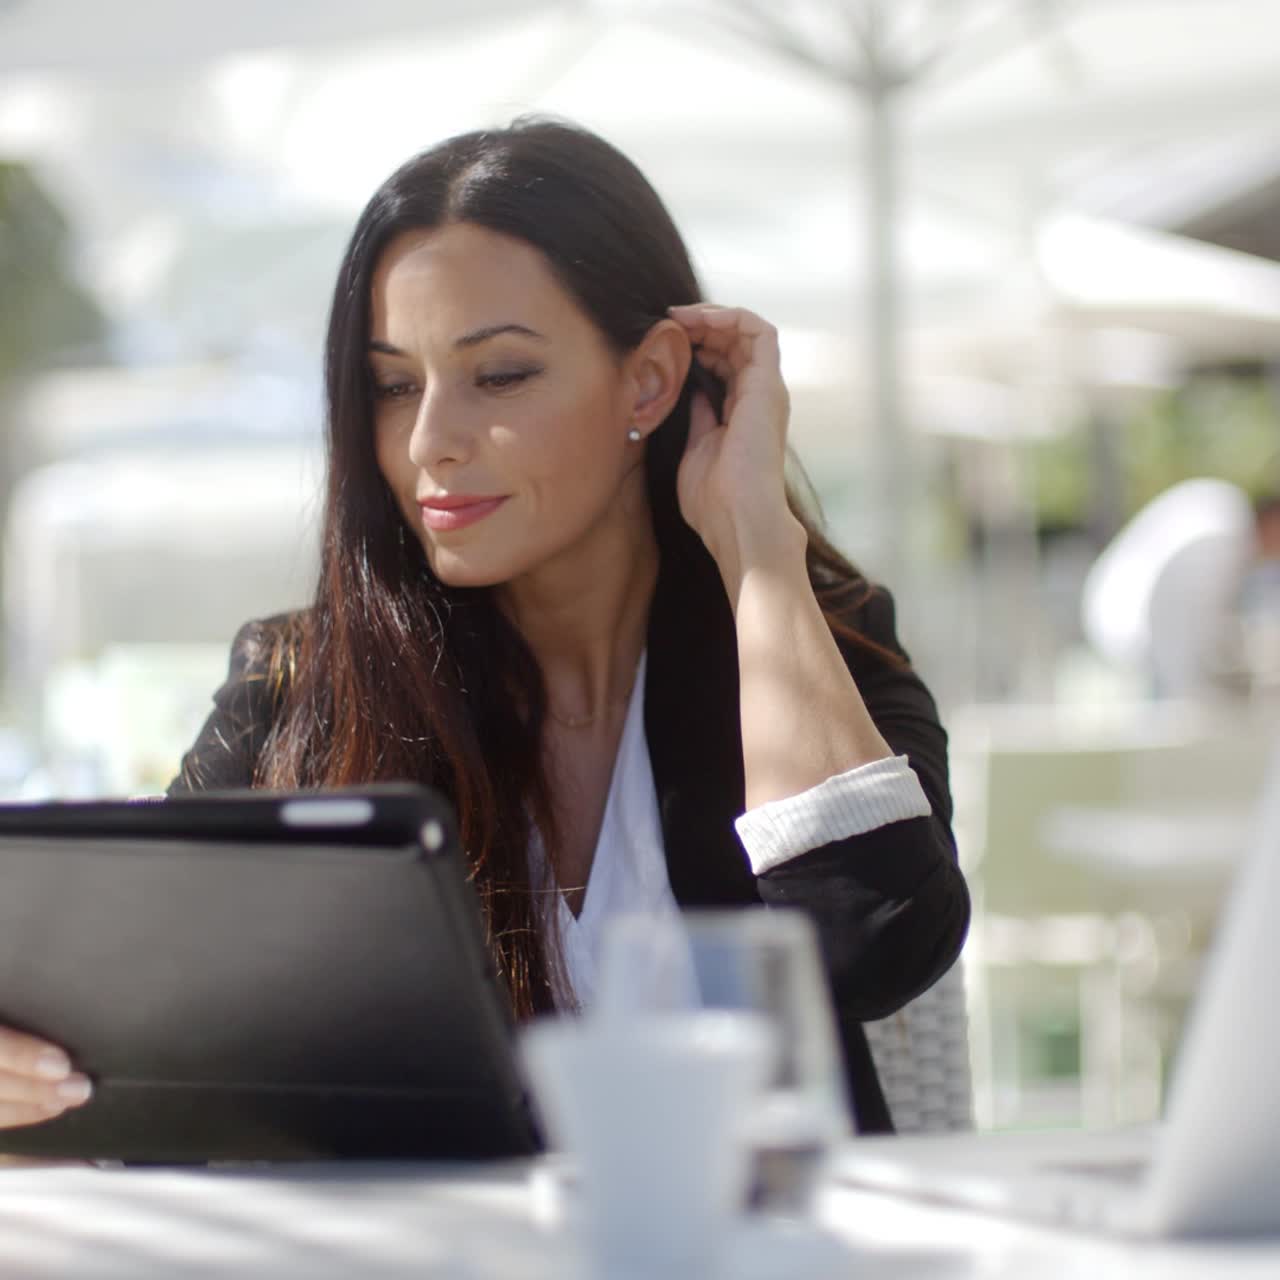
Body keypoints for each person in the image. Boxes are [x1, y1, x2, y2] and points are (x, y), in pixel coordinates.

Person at [0, 118, 968, 1139]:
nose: (429, 443)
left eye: (497, 375)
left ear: (646, 380)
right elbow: (139, 1024)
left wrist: (757, 552)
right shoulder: (302, 685)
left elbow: (876, 944)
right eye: (392, 384)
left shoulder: (806, 643)